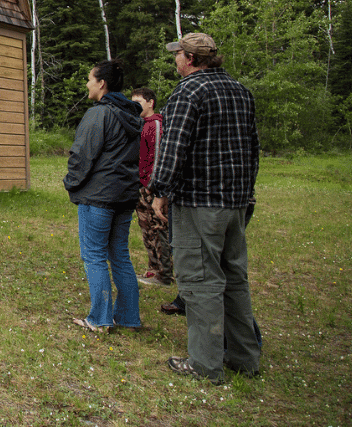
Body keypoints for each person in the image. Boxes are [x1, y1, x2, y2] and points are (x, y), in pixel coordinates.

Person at [150, 32, 261, 383]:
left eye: (178, 54)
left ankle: (205, 364)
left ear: (192, 59)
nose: (175, 60)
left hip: (200, 201)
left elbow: (173, 148)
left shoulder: (188, 91)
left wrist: (159, 190)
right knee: (234, 278)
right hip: (236, 202)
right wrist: (247, 194)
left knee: (200, 281)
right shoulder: (240, 90)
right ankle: (244, 356)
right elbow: (252, 147)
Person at [63, 59, 144, 333]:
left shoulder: (99, 114)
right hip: (125, 195)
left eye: (89, 78)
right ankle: (128, 317)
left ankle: (99, 319)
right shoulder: (134, 115)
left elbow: (82, 155)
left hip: (98, 198)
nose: (87, 84)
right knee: (120, 254)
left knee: (95, 255)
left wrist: (71, 183)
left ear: (102, 84)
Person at [131, 87, 173, 287]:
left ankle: (165, 274)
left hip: (152, 188)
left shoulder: (155, 124)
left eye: (138, 102)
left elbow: (157, 156)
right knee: (147, 229)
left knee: (158, 229)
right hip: (140, 185)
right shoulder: (142, 124)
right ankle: (153, 268)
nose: (135, 106)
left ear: (150, 103)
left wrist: (152, 185)